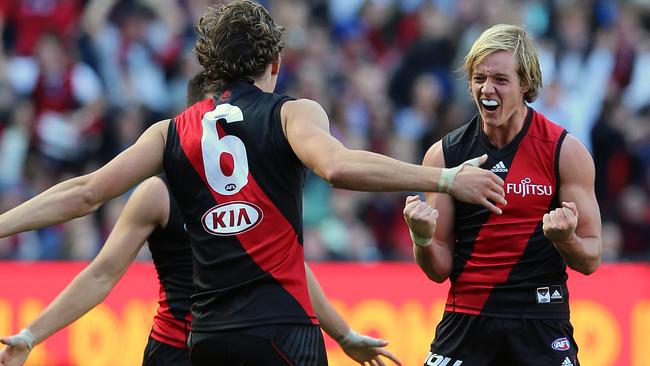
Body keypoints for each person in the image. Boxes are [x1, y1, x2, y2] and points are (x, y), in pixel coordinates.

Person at [0, 1, 506, 365]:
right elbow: (338, 166)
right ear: (276, 64)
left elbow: (85, 192)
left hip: (207, 341)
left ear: (211, 67)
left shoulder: (168, 132)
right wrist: (444, 177)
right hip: (282, 332)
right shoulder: (294, 113)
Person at [0, 74, 401, 366]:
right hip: (176, 349)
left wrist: (344, 335)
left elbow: (290, 268)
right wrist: (31, 335)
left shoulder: (254, 184)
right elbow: (101, 273)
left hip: (232, 340)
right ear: (196, 117)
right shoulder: (158, 193)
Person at [403, 24, 602, 366]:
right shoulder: (445, 154)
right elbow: (438, 270)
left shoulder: (564, 152)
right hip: (467, 320)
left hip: (540, 321)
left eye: (500, 79)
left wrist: (565, 239)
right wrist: (421, 239)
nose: (487, 89)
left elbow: (591, 258)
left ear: (525, 84)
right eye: (479, 78)